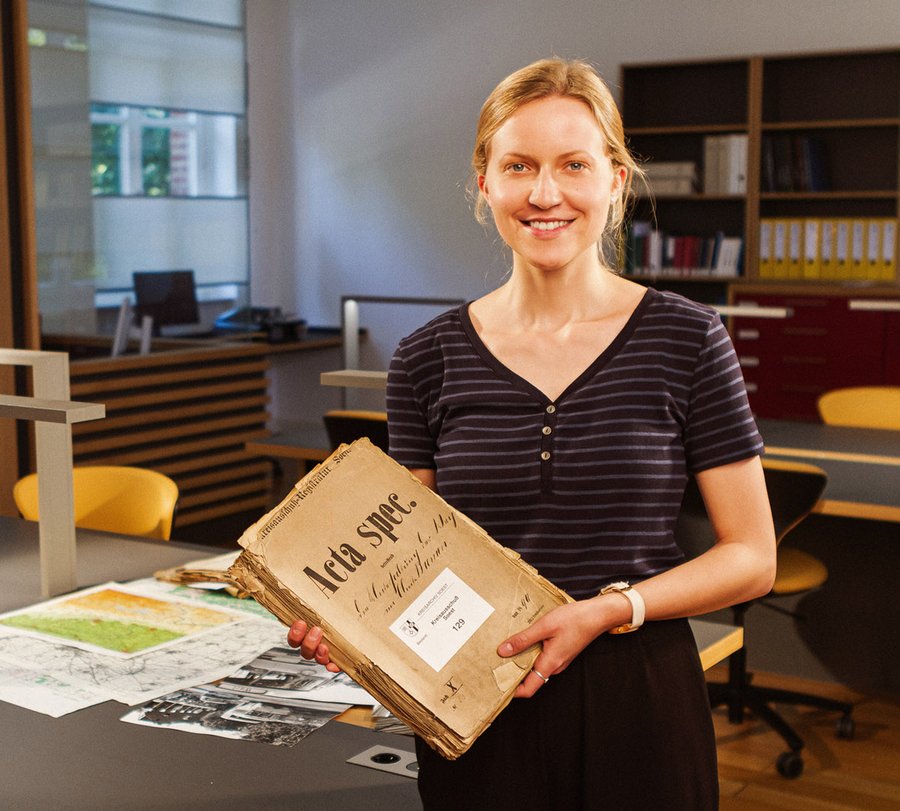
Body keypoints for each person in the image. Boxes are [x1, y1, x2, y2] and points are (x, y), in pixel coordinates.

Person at [288, 57, 776, 809]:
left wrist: (610, 607)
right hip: (478, 698)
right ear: (485, 184)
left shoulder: (689, 337)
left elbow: (751, 556)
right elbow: (405, 568)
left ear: (615, 179)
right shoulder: (425, 356)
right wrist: (347, 627)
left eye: (573, 164)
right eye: (518, 165)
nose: (545, 193)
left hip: (639, 693)